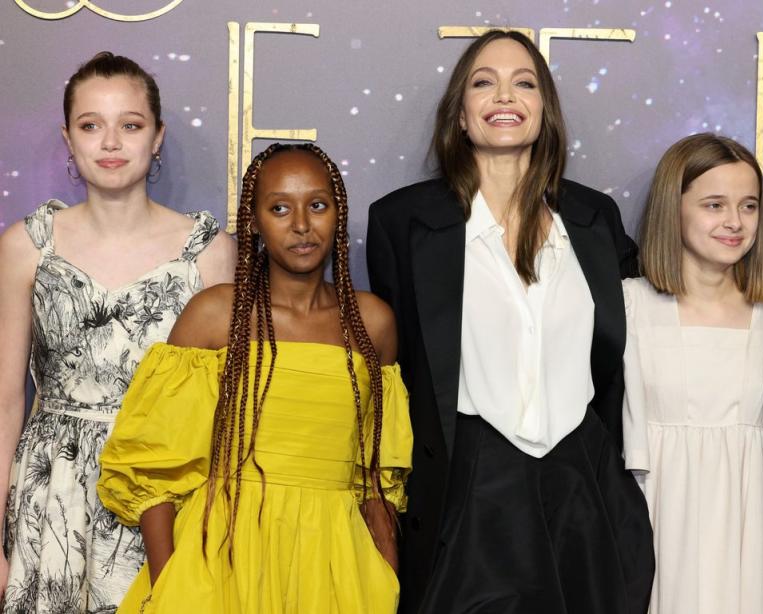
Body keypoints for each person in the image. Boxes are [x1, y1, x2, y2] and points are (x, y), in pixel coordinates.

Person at [366, 29, 655, 614]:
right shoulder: (402, 222)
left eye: (524, 83)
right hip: (467, 487)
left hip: (582, 487)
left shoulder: (594, 218)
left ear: (544, 110)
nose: (505, 96)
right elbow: (401, 369)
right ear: (461, 114)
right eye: (484, 83)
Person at [97, 143, 411, 613]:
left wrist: (384, 575)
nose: (302, 225)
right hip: (222, 564)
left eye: (318, 205)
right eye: (280, 208)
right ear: (255, 222)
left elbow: (377, 484)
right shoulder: (214, 315)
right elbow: (153, 472)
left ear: (338, 215)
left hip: (336, 570)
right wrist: (170, 589)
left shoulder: (372, 324)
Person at [0, 52, 235, 612]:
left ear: (157, 137)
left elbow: (226, 408)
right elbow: (7, 402)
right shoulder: (26, 246)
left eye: (130, 125)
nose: (110, 142)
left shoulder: (208, 254)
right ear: (68, 138)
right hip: (49, 500)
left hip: (165, 496)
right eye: (91, 125)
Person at [622, 133, 763, 614]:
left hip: (753, 527)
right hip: (656, 523)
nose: (735, 222)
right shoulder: (627, 305)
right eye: (714, 204)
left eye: (749, 206)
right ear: (672, 209)